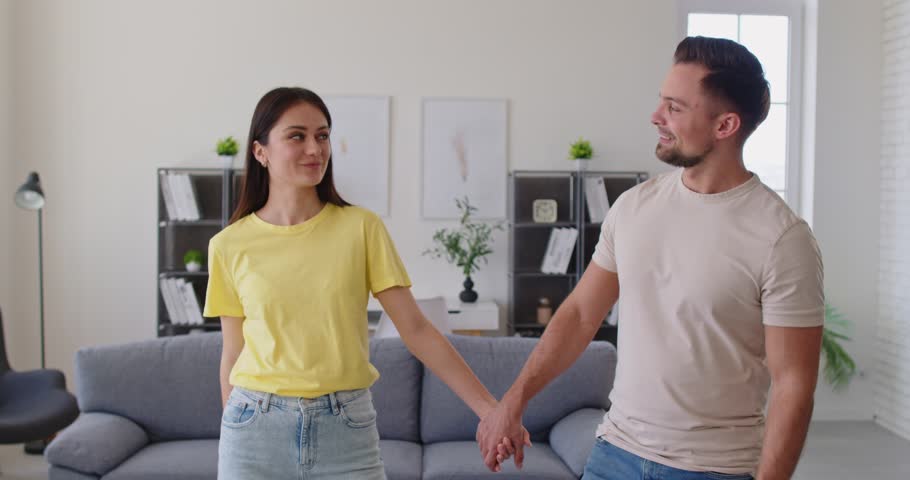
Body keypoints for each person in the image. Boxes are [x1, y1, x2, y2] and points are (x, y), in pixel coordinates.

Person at [480, 36, 824, 480]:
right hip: (614, 454)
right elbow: (582, 314)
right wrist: (514, 400)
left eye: (675, 108)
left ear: (725, 126)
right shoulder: (634, 207)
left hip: (713, 468)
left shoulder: (781, 238)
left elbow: (794, 384)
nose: (656, 116)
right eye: (662, 101)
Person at [205, 87, 526, 479]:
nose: (315, 148)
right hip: (254, 429)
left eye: (322, 135)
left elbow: (418, 329)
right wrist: (231, 431)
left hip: (346, 428)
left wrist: (491, 410)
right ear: (260, 152)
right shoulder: (228, 245)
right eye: (297, 136)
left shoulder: (361, 228)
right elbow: (232, 353)